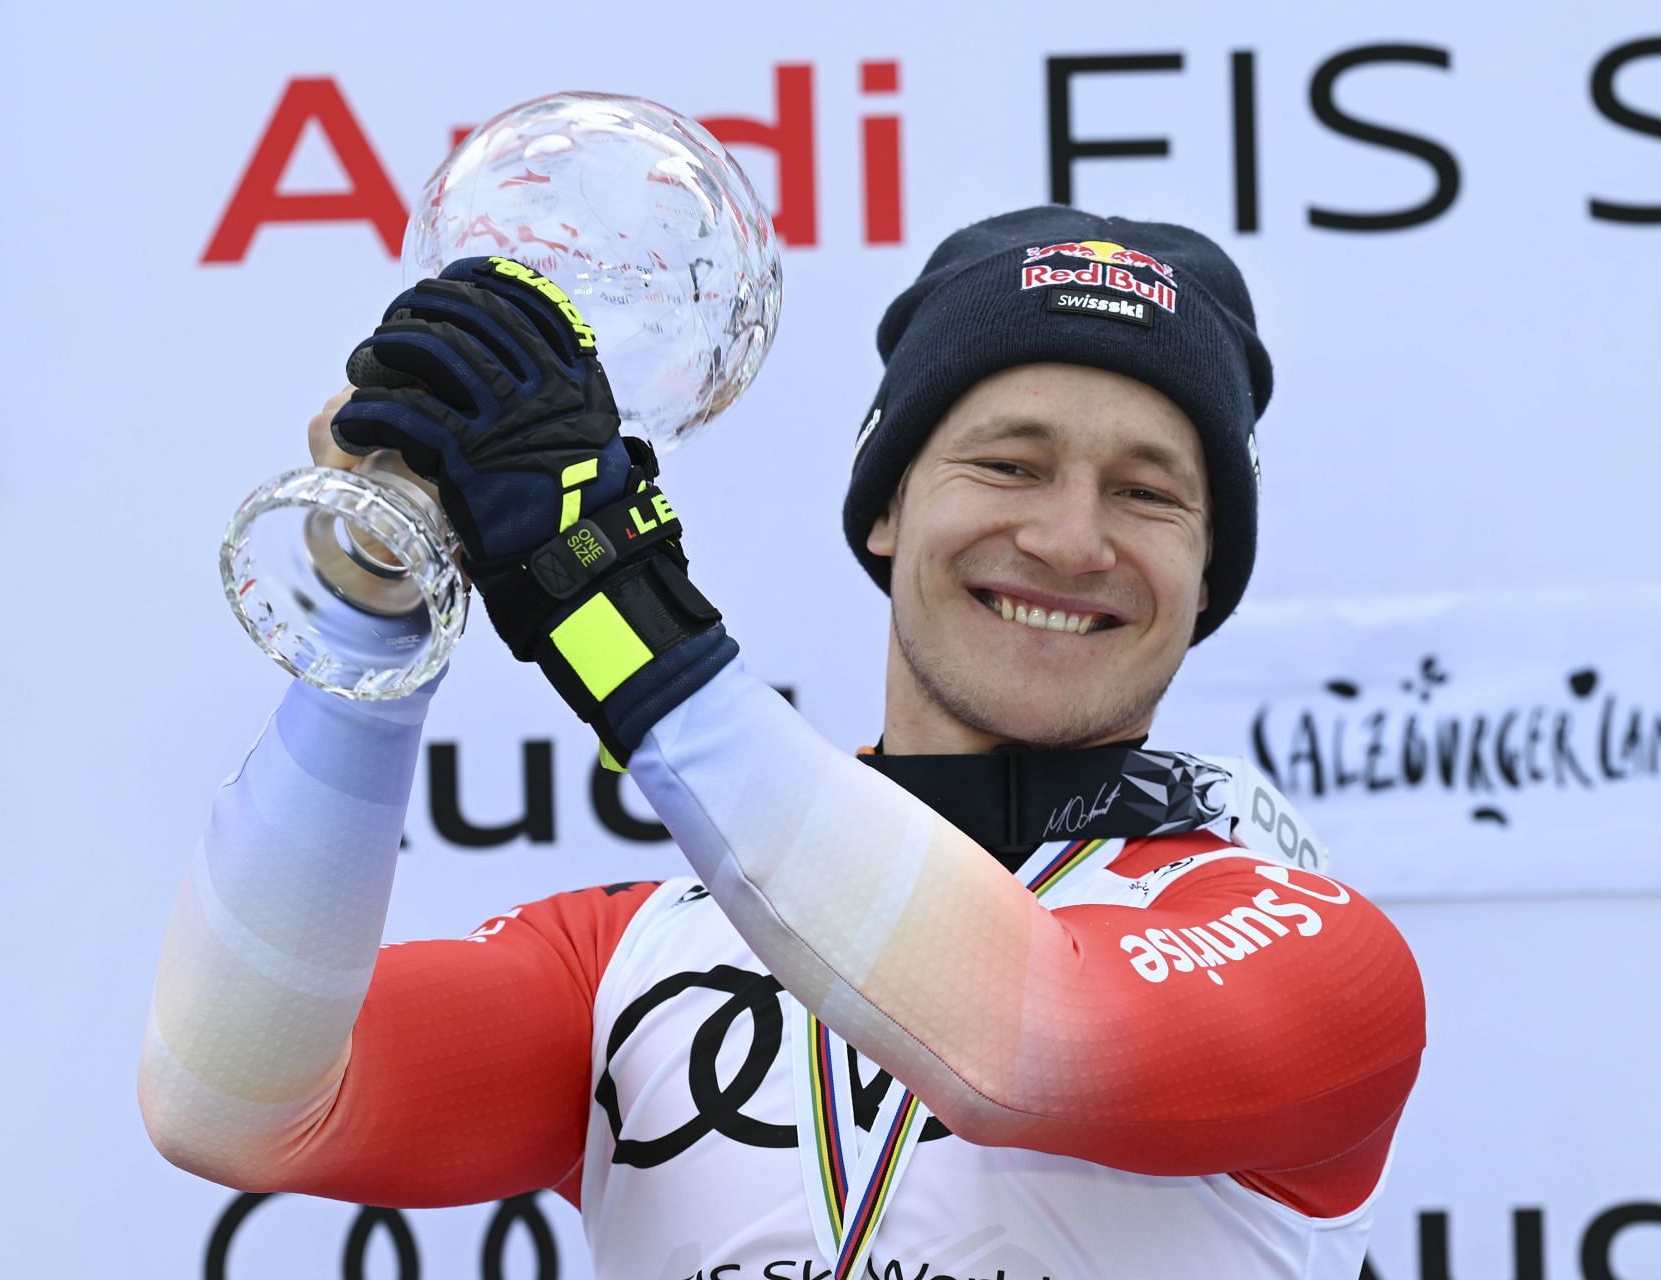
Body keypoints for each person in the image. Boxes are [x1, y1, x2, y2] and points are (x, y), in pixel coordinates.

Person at [140, 207, 1425, 1280]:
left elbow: (1024, 1045)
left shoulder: (1311, 947)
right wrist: (375, 624)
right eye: (1009, 464)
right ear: (885, 512)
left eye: (1148, 492)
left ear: (1210, 576)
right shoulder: (632, 957)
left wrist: (610, 597)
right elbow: (233, 1105)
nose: (1071, 539)